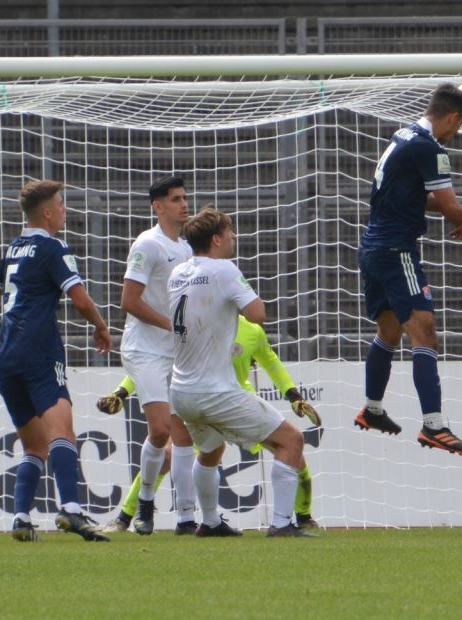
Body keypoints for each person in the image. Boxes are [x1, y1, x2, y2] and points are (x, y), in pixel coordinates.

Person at [353, 82, 462, 456]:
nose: (457, 132)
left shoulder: (405, 135)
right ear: (451, 117)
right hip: (396, 251)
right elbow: (450, 208)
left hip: (373, 247)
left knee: (389, 331)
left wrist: (460, 214)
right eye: (460, 125)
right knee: (425, 334)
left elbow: (416, 197)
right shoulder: (430, 148)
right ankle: (434, 426)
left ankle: (372, 410)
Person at [166, 208, 315, 537]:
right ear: (216, 239)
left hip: (181, 392)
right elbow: (257, 314)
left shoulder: (178, 272)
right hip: (214, 392)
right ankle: (282, 524)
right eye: (229, 232)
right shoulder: (224, 269)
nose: (234, 237)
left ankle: (209, 522)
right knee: (291, 440)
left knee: (210, 450)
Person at [99, 316, 323, 532]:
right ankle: (126, 517)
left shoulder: (252, 331)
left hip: (239, 404)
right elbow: (157, 365)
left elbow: (272, 363)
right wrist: (121, 392)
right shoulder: (195, 326)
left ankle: (303, 517)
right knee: (168, 456)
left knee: (292, 452)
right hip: (202, 405)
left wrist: (293, 395)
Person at [0, 179, 116, 543]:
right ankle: (71, 509)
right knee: (63, 431)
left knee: (34, 444)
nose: (65, 211)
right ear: (46, 213)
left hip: (6, 355)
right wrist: (101, 326)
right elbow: (79, 298)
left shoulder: (14, 248)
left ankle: (21, 518)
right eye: (61, 205)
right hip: (39, 350)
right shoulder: (53, 247)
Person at [117, 175, 199, 535]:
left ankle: (186, 517)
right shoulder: (147, 244)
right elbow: (129, 301)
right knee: (161, 429)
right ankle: (146, 502)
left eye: (184, 197)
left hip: (176, 352)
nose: (184, 204)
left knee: (183, 435)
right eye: (176, 199)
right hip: (145, 349)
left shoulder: (187, 249)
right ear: (158, 206)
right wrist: (171, 325)